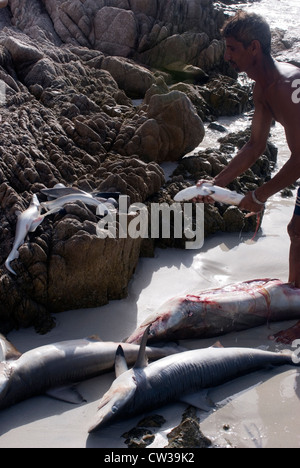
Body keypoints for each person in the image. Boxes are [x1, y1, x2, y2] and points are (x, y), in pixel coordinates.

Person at [197, 11, 300, 344]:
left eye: (232, 49)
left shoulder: (284, 86)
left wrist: (260, 195)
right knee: (297, 230)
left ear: (253, 47)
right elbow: (255, 146)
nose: (226, 56)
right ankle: (294, 296)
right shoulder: (262, 89)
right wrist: (217, 183)